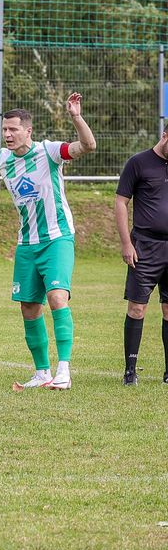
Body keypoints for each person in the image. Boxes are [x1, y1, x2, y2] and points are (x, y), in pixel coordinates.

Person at [0, 95, 94, 391]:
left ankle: (63, 370)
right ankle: (42, 372)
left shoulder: (49, 151)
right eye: (4, 130)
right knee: (29, 308)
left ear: (28, 131)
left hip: (57, 238)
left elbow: (88, 146)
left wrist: (76, 118)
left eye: (13, 130)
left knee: (58, 297)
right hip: (26, 244)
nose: (7, 134)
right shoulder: (1, 159)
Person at [115, 125, 168, 386]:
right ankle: (130, 372)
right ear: (165, 136)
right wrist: (127, 243)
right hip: (144, 247)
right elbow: (120, 203)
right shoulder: (138, 163)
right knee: (137, 308)